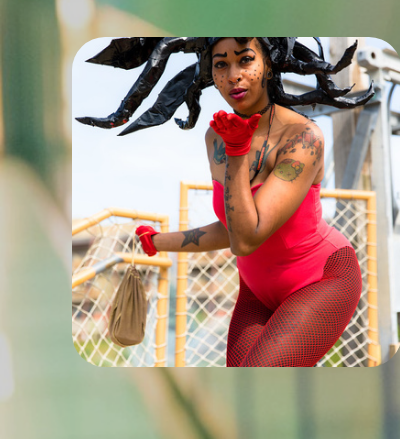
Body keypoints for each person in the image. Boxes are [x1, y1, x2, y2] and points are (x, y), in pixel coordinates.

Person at [128, 37, 365, 366]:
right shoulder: (216, 137)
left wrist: (238, 152)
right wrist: (157, 242)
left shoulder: (303, 137)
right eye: (221, 65)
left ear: (268, 64)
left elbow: (246, 239)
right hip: (255, 291)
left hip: (321, 278)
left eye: (245, 60)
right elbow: (233, 225)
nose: (233, 75)